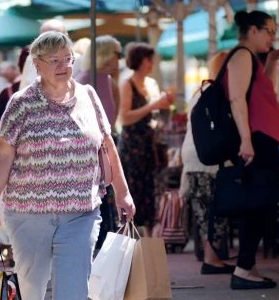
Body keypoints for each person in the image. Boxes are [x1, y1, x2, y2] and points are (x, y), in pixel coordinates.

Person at [0, 31, 135, 300]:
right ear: (37, 65)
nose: (64, 66)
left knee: (73, 281)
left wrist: (123, 192)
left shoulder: (89, 95)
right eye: (55, 60)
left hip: (81, 208)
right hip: (27, 210)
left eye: (68, 58)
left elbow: (107, 147)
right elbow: (3, 157)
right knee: (31, 280)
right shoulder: (21, 103)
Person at [222, 10, 279, 290]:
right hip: (256, 140)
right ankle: (244, 269)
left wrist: (270, 63)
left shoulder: (252, 59)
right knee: (259, 202)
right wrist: (246, 140)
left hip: (262, 139)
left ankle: (247, 266)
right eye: (270, 31)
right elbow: (237, 98)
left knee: (260, 202)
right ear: (254, 31)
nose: (273, 36)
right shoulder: (241, 55)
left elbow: (261, 92)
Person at [181, 51, 233, 274]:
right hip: (209, 160)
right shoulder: (222, 93)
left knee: (204, 210)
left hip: (194, 157)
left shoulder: (200, 91)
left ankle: (211, 257)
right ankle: (211, 259)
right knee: (214, 209)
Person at [118, 42, 172, 236]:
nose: (152, 63)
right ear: (141, 61)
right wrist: (153, 105)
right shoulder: (127, 84)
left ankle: (149, 245)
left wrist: (165, 105)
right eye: (149, 59)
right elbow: (125, 117)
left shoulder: (151, 84)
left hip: (149, 145)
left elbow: (157, 114)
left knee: (150, 193)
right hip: (133, 146)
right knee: (133, 191)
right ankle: (129, 243)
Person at [76, 36, 123, 251]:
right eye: (117, 53)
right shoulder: (88, 82)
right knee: (100, 207)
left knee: (101, 208)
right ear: (105, 54)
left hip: (96, 154)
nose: (120, 59)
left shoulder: (97, 81)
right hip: (94, 156)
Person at [19, 19, 68, 90]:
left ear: (66, 36)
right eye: (46, 38)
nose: (50, 42)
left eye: (56, 37)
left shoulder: (76, 58)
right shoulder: (32, 58)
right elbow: (25, 85)